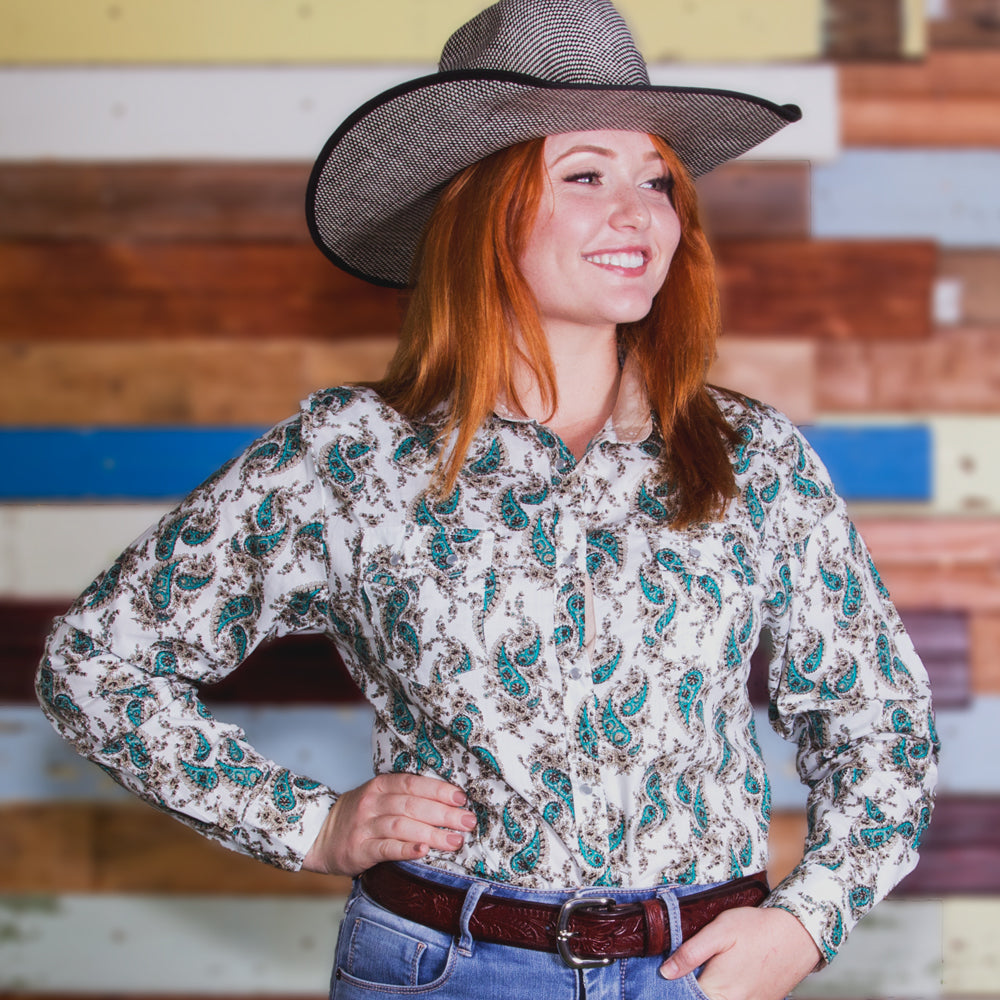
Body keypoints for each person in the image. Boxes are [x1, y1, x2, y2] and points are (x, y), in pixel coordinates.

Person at [37, 2, 938, 998]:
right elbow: (97, 664)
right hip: (440, 967)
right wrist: (310, 824)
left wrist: (807, 923)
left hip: (703, 968)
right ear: (480, 210)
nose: (638, 212)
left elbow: (876, 721)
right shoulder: (351, 457)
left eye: (657, 181)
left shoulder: (749, 454)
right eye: (585, 175)